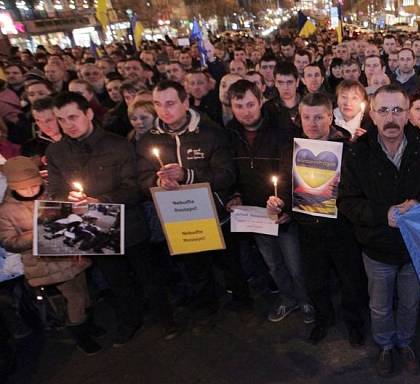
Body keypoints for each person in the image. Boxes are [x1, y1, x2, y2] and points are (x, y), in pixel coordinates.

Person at [47, 92, 178, 343]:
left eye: (73, 117)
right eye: (61, 120)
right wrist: (68, 198)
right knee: (116, 280)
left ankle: (165, 318)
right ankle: (130, 320)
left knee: (147, 276)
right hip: (92, 229)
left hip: (129, 225)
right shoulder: (57, 152)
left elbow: (134, 187)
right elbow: (55, 189)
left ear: (88, 114)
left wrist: (101, 201)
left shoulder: (117, 145)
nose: (68, 124)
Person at [338, 84, 420, 377]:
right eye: (383, 110)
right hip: (377, 247)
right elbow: (347, 202)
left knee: (411, 303)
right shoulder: (358, 153)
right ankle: (385, 345)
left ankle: (406, 342)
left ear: (409, 113)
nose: (390, 118)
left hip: (414, 248)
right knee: (380, 305)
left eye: (397, 110)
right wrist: (381, 214)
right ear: (372, 114)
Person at [137, 80, 249, 332]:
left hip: (216, 213)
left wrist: (188, 175)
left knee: (229, 262)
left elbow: (226, 174)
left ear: (185, 103)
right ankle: (207, 307)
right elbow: (140, 179)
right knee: (194, 266)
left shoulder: (210, 132)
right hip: (179, 218)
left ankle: (242, 301)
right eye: (158, 104)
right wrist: (157, 181)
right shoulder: (147, 140)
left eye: (170, 103)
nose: (165, 110)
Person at [269, 92, 369, 345]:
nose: (312, 123)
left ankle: (355, 324)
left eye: (318, 117)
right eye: (307, 117)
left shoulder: (349, 149)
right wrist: (282, 206)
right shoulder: (292, 150)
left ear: (330, 117)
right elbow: (286, 186)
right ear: (300, 118)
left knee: (350, 280)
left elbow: (358, 188)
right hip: (307, 228)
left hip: (342, 228)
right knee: (315, 279)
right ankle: (323, 320)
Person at [226, 79, 314, 324]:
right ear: (231, 106)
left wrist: (286, 205)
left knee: (295, 262)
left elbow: (291, 169)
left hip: (281, 209)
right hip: (255, 212)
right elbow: (231, 169)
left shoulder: (282, 127)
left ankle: (306, 299)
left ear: (261, 100)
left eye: (250, 104)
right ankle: (288, 298)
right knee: (273, 263)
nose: (246, 111)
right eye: (239, 105)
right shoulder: (231, 132)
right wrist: (235, 195)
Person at [0, 157, 98, 354]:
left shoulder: (51, 196)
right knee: (75, 297)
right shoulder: (6, 211)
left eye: (33, 186)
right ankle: (80, 335)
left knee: (85, 292)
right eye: (23, 188)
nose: (30, 191)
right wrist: (37, 232)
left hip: (70, 254)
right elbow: (9, 242)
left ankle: (87, 324)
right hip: (45, 263)